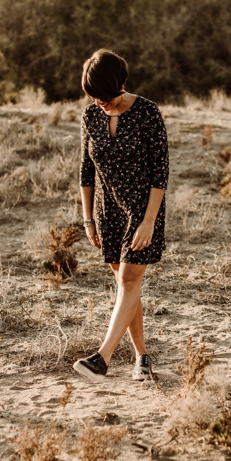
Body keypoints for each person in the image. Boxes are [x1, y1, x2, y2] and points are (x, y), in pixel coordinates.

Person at [72, 49, 169, 382]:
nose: (103, 103)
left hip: (142, 210)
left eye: (107, 97)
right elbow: (86, 171)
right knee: (128, 288)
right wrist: (88, 219)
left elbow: (161, 173)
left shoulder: (147, 113)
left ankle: (102, 358)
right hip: (106, 211)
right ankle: (142, 358)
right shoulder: (90, 116)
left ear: (121, 84)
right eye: (96, 98)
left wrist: (149, 221)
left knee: (129, 282)